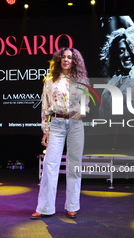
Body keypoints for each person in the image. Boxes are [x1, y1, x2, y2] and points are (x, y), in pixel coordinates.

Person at [31, 47, 90, 219]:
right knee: (49, 165)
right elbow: (45, 107)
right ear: (58, 60)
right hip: (56, 123)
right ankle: (44, 207)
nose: (66, 60)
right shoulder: (50, 80)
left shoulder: (81, 79)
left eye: (70, 57)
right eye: (63, 57)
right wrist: (46, 130)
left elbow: (86, 102)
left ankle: (72, 206)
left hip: (75, 124)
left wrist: (82, 112)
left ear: (75, 61)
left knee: (74, 165)